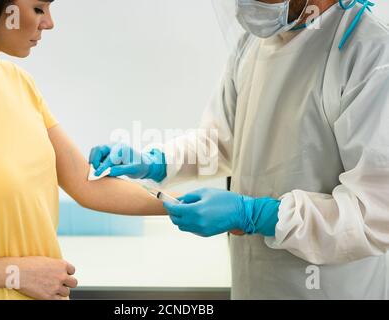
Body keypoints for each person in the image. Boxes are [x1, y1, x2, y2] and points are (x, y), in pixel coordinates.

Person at [90, 0, 389, 299]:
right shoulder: (256, 42)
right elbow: (220, 142)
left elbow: (373, 214)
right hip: (254, 283)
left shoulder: (370, 54)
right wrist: (156, 163)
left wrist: (259, 215)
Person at [0, 0, 166, 300]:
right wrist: (15, 272)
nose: (49, 23)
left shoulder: (18, 83)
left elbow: (86, 184)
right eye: (38, 8)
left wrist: (181, 207)